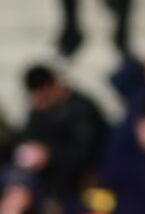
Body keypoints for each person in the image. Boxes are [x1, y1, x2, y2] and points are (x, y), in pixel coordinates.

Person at [15, 65, 108, 203]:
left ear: (51, 87)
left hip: (81, 181)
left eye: (43, 97)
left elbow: (86, 152)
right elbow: (28, 138)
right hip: (48, 181)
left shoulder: (81, 109)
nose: (40, 102)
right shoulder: (39, 111)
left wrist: (49, 154)